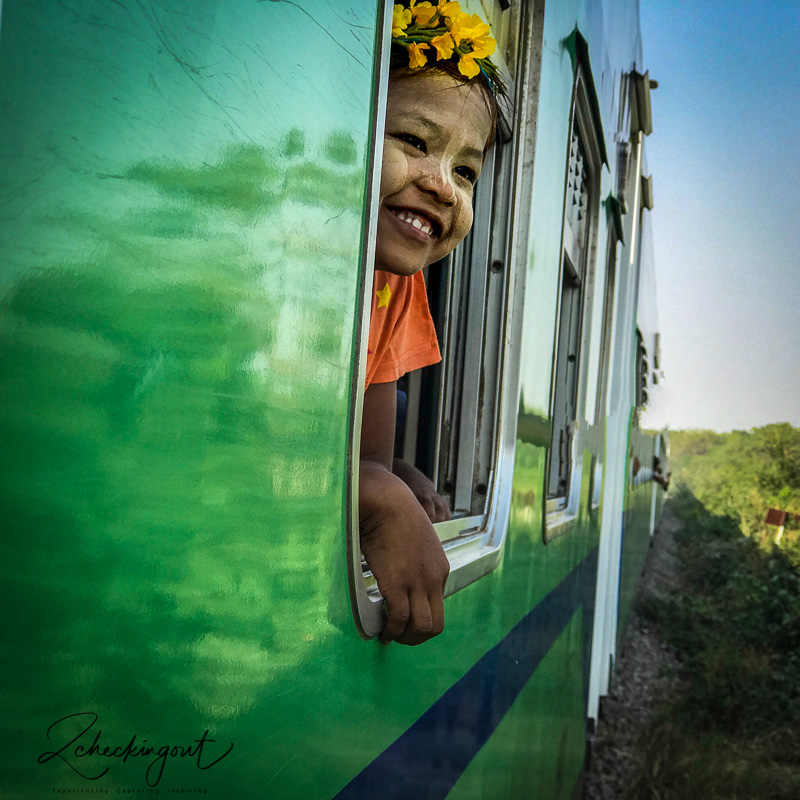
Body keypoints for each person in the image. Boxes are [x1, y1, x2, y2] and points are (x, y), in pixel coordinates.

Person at [358, 1, 504, 646]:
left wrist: (393, 477)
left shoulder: (397, 284)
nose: (445, 187)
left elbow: (368, 456)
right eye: (414, 142)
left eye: (466, 171)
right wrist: (376, 495)